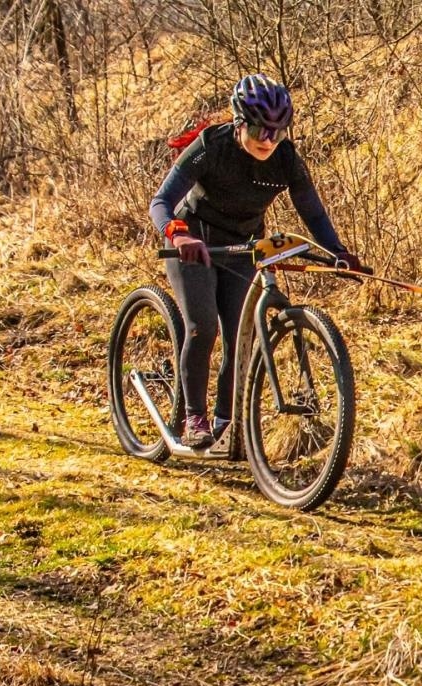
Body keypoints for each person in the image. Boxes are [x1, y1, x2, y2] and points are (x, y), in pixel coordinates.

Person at [149, 74, 363, 448]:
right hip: (195, 242)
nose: (269, 140)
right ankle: (194, 417)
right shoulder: (209, 147)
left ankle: (225, 421)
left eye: (278, 133)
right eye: (261, 130)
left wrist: (338, 253)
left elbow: (312, 212)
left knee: (240, 337)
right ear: (239, 122)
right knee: (203, 327)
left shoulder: (285, 159)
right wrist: (178, 234)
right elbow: (160, 203)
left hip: (243, 246)